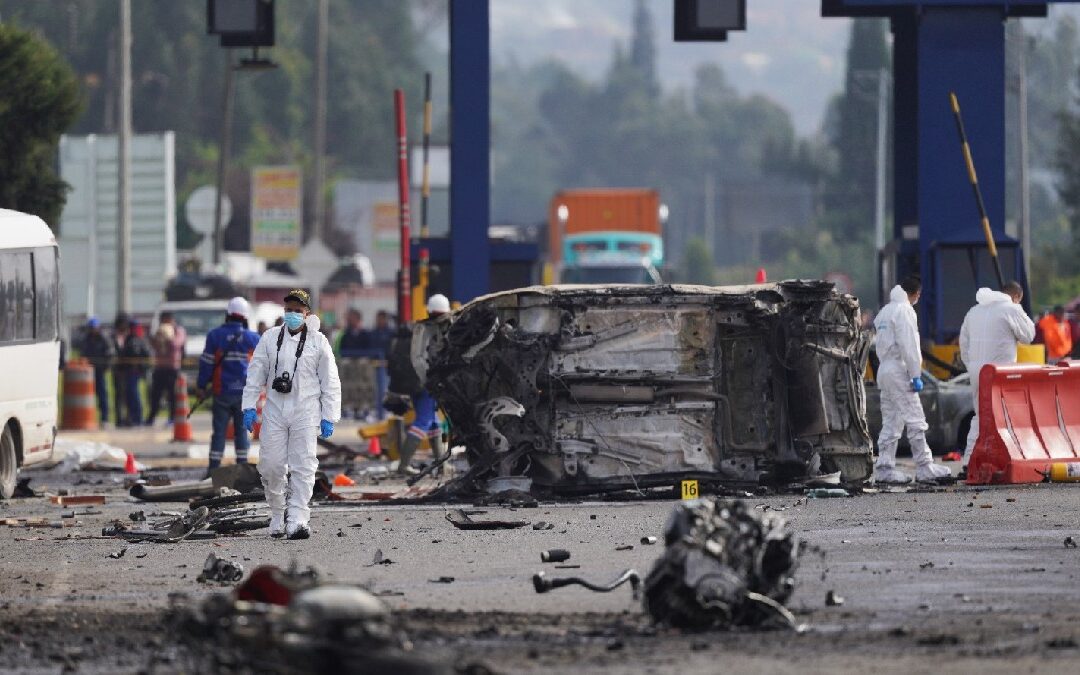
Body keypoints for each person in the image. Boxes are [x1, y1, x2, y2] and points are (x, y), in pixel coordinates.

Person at [242, 290, 340, 540]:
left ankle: (298, 519)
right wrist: (249, 406)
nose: (293, 314)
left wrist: (329, 415)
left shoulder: (319, 341)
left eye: (298, 310)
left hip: (306, 412)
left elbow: (330, 381)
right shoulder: (270, 338)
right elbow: (255, 374)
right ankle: (277, 513)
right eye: (289, 310)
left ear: (307, 313)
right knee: (271, 466)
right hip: (275, 411)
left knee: (304, 466)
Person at [872, 277, 952, 483]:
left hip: (884, 369)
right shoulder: (904, 311)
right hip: (899, 370)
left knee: (891, 421)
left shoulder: (884, 312)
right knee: (915, 418)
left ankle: (884, 468)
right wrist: (915, 374)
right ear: (916, 294)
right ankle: (925, 466)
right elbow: (910, 347)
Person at [958, 282, 1035, 475]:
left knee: (980, 416)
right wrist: (1019, 309)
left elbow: (963, 343)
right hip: (1000, 372)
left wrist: (972, 366)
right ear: (1017, 296)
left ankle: (969, 461)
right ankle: (1005, 462)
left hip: (977, 371)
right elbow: (1029, 336)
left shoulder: (974, 311)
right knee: (1004, 416)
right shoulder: (1011, 309)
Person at [198, 297, 261, 474]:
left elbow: (206, 364)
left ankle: (213, 470)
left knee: (219, 432)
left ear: (228, 315)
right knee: (241, 431)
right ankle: (242, 468)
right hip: (244, 393)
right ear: (245, 317)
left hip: (221, 392)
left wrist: (201, 386)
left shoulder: (214, 336)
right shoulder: (253, 338)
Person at [398, 294, 452, 476]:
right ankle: (404, 465)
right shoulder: (432, 331)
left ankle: (441, 463)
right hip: (425, 382)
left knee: (434, 421)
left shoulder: (420, 328)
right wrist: (431, 381)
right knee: (424, 420)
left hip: (416, 382)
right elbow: (423, 359)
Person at [146, 312, 187, 425]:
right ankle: (151, 417)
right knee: (155, 394)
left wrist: (168, 337)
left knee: (172, 394)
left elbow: (176, 344)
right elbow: (154, 346)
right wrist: (155, 339)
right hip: (159, 367)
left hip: (172, 367)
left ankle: (172, 417)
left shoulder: (178, 331)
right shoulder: (159, 331)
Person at [80, 317, 115, 426]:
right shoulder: (87, 339)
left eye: (93, 328)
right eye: (90, 328)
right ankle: (89, 418)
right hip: (88, 371)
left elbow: (110, 353)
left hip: (100, 370)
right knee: (88, 395)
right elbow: (83, 352)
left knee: (102, 395)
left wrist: (106, 367)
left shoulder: (104, 338)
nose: (92, 330)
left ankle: (104, 418)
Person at [121, 320, 152, 427]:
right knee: (129, 396)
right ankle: (131, 418)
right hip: (129, 372)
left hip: (137, 373)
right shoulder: (129, 339)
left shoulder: (139, 340)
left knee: (136, 396)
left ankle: (138, 418)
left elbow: (143, 354)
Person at [111, 314, 130, 427]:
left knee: (128, 395)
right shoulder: (114, 337)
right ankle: (119, 418)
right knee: (118, 395)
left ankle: (128, 418)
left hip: (128, 370)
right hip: (118, 370)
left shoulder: (129, 337)